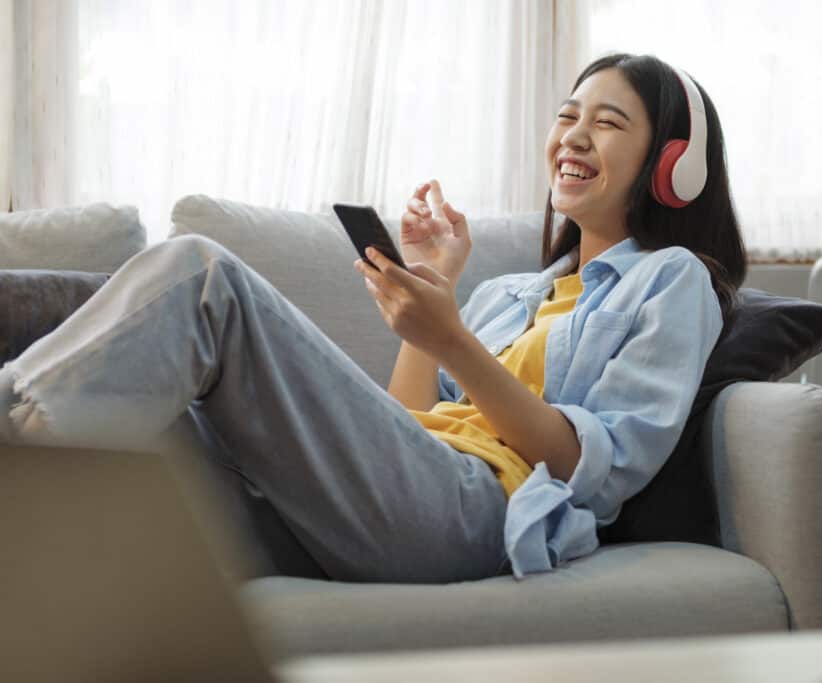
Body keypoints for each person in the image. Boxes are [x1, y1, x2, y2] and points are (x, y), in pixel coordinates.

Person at [0, 52, 747, 582]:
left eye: (609, 122)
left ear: (673, 165)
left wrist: (452, 338)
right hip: (403, 497)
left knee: (203, 278)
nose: (574, 134)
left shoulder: (671, 281)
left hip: (477, 510)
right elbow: (405, 421)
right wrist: (436, 293)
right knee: (156, 414)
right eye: (567, 115)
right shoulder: (511, 295)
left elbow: (592, 469)